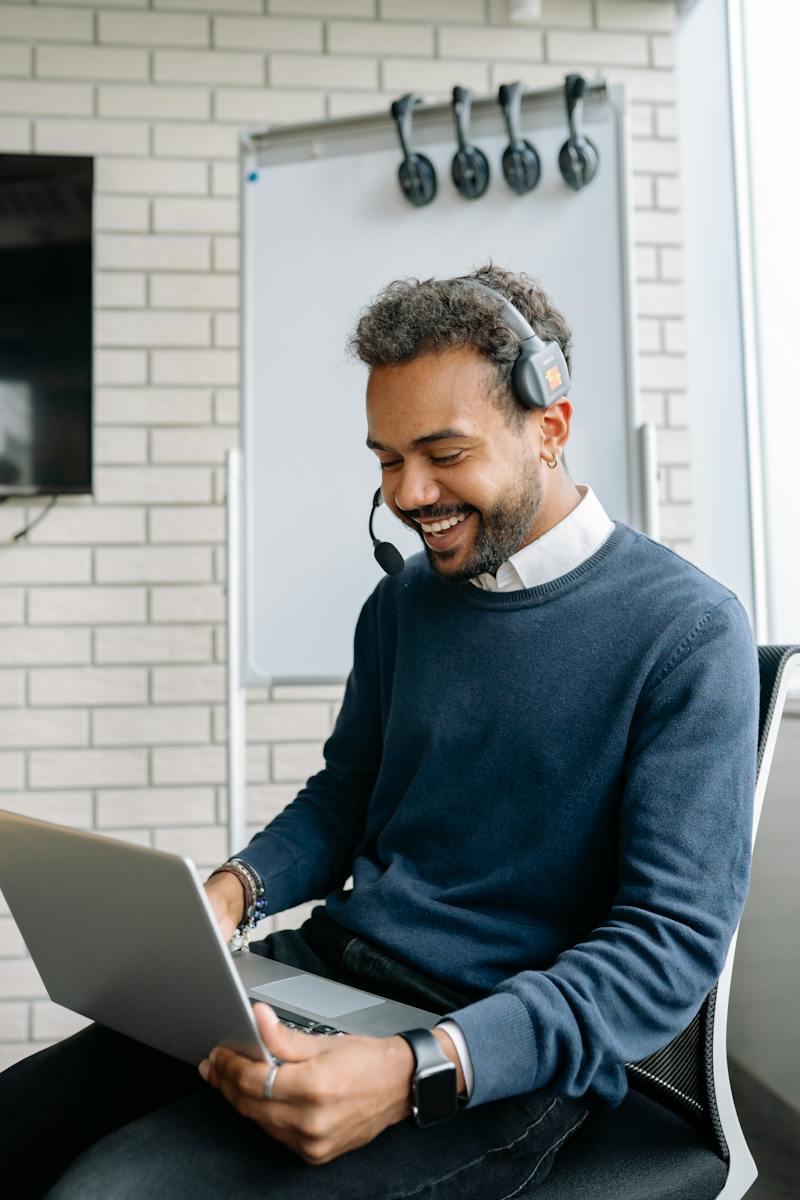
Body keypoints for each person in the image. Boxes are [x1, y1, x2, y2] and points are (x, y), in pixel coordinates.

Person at [0, 265, 759, 1199]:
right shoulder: (403, 604)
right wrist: (234, 893)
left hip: (498, 1049)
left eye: (442, 453)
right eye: (387, 459)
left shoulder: (686, 632)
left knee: (106, 1193)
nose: (409, 493)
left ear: (549, 429)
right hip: (327, 973)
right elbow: (347, 799)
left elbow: (667, 943)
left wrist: (415, 1069)